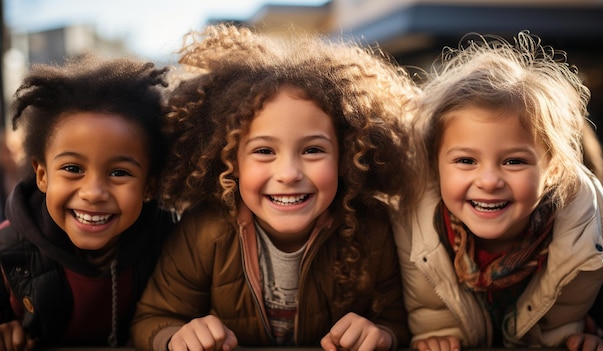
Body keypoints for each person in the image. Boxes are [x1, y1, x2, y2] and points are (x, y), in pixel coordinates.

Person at [131, 24, 421, 351]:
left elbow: (400, 320)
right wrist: (174, 338)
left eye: (312, 150)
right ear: (230, 160)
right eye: (264, 151)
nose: (288, 173)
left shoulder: (373, 229)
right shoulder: (204, 232)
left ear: (348, 155)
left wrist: (383, 335)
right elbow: (154, 318)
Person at [393, 31, 603, 351]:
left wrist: (579, 338)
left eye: (513, 161)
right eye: (466, 160)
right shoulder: (410, 221)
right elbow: (413, 309)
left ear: (553, 170)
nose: (490, 180)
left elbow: (581, 314)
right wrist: (432, 337)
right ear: (434, 166)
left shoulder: (592, 227)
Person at [0, 54, 176, 350]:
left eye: (119, 172)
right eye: (73, 169)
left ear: (149, 186)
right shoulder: (0, 253)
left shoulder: (170, 243)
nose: (93, 192)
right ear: (42, 175)